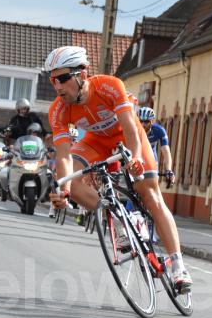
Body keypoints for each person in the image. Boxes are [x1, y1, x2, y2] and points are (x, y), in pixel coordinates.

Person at [45, 46, 192, 293]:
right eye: (52, 80)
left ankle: (178, 266)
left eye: (62, 78)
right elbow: (63, 157)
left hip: (127, 138)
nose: (57, 86)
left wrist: (134, 158)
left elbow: (131, 128)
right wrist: (65, 189)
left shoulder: (109, 85)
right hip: (96, 142)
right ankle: (122, 221)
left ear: (82, 73)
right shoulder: (58, 110)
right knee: (73, 181)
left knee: (150, 194)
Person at [137, 107, 175, 186]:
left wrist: (168, 170)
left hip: (151, 159)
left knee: (153, 185)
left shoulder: (158, 130)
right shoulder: (134, 129)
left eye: (146, 121)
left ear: (152, 121)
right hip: (136, 157)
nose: (143, 124)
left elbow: (166, 151)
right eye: (141, 121)